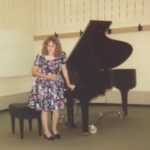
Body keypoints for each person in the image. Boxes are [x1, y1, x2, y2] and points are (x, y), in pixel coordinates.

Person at [28, 35, 75, 140]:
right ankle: (46, 132)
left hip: (56, 85)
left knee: (56, 109)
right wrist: (47, 76)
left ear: (56, 46)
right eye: (48, 45)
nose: (49, 48)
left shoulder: (61, 55)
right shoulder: (40, 56)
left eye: (52, 46)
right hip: (43, 85)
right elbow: (33, 72)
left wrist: (68, 83)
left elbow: (64, 70)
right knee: (45, 109)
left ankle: (54, 129)